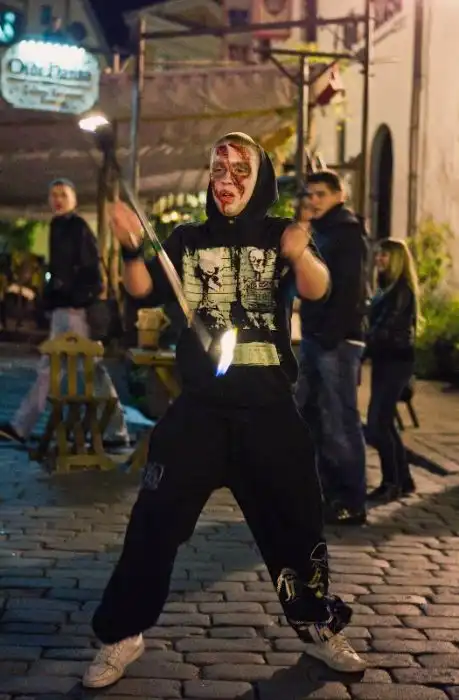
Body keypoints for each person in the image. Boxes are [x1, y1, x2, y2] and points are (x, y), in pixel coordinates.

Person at [81, 133, 366, 689]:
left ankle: (316, 623)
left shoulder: (281, 233)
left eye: (240, 169)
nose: (227, 179)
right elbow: (141, 287)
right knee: (153, 522)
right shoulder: (187, 239)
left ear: (259, 178)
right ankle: (123, 632)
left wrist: (299, 252)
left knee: (296, 526)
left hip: (269, 412)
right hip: (201, 412)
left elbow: (319, 288)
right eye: (218, 168)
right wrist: (132, 246)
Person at [0, 179, 129, 448]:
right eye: (54, 194)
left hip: (75, 312)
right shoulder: (58, 226)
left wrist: (71, 299)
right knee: (71, 370)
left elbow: (91, 273)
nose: (57, 199)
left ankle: (22, 426)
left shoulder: (77, 227)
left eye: (63, 195)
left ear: (73, 200)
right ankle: (115, 432)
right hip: (64, 311)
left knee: (80, 370)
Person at [296, 170, 368, 526]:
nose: (313, 200)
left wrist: (329, 336)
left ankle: (351, 500)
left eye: (321, 194)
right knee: (314, 418)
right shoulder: (321, 231)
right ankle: (328, 494)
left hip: (336, 341)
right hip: (317, 337)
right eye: (310, 194)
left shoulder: (347, 232)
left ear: (340, 195)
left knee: (339, 420)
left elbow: (349, 291)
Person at [365, 239, 418, 503]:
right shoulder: (386, 288)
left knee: (377, 425)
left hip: (395, 361)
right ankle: (403, 479)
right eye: (378, 255)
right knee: (385, 423)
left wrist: (362, 346)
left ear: (396, 259)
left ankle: (390, 482)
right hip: (385, 361)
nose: (379, 259)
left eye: (384, 255)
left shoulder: (400, 290)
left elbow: (385, 328)